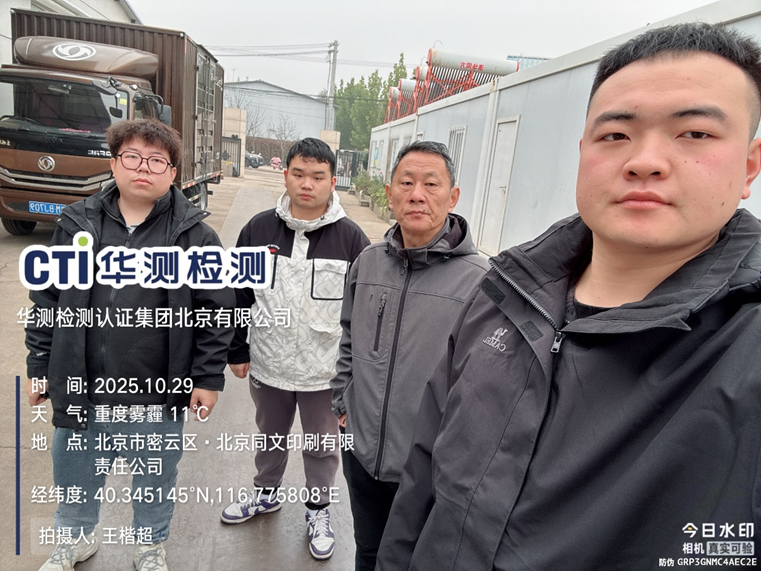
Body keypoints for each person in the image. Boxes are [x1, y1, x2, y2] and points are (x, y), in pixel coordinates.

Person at [377, 22, 761, 571]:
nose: (645, 160)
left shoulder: (745, 348)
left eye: (694, 133)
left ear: (749, 165)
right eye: (616, 135)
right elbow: (422, 483)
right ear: (583, 153)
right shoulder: (504, 296)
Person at [25, 119, 235, 571]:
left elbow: (217, 312)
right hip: (83, 388)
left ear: (173, 173)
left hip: (156, 395)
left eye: (157, 160)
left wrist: (207, 378)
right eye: (133, 157)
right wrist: (40, 366)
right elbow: (46, 300)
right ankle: (75, 539)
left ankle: (150, 546)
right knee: (75, 472)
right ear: (114, 163)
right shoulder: (77, 224)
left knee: (155, 477)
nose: (143, 167)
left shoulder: (195, 236)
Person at [331, 140, 489, 571]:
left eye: (431, 184)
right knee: (368, 551)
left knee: (416, 559)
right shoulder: (367, 263)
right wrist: (342, 401)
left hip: (427, 468)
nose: (417, 194)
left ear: (452, 197)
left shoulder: (481, 281)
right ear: (390, 193)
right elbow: (348, 335)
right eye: (406, 183)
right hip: (362, 453)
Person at [220, 138, 369, 560]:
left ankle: (318, 510)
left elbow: (361, 311)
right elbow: (238, 293)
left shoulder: (352, 239)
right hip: (269, 363)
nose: (307, 184)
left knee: (322, 446)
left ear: (333, 181)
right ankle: (265, 494)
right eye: (299, 174)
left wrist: (355, 371)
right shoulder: (257, 230)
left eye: (318, 176)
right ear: (284, 174)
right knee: (270, 436)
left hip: (325, 372)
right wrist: (237, 349)